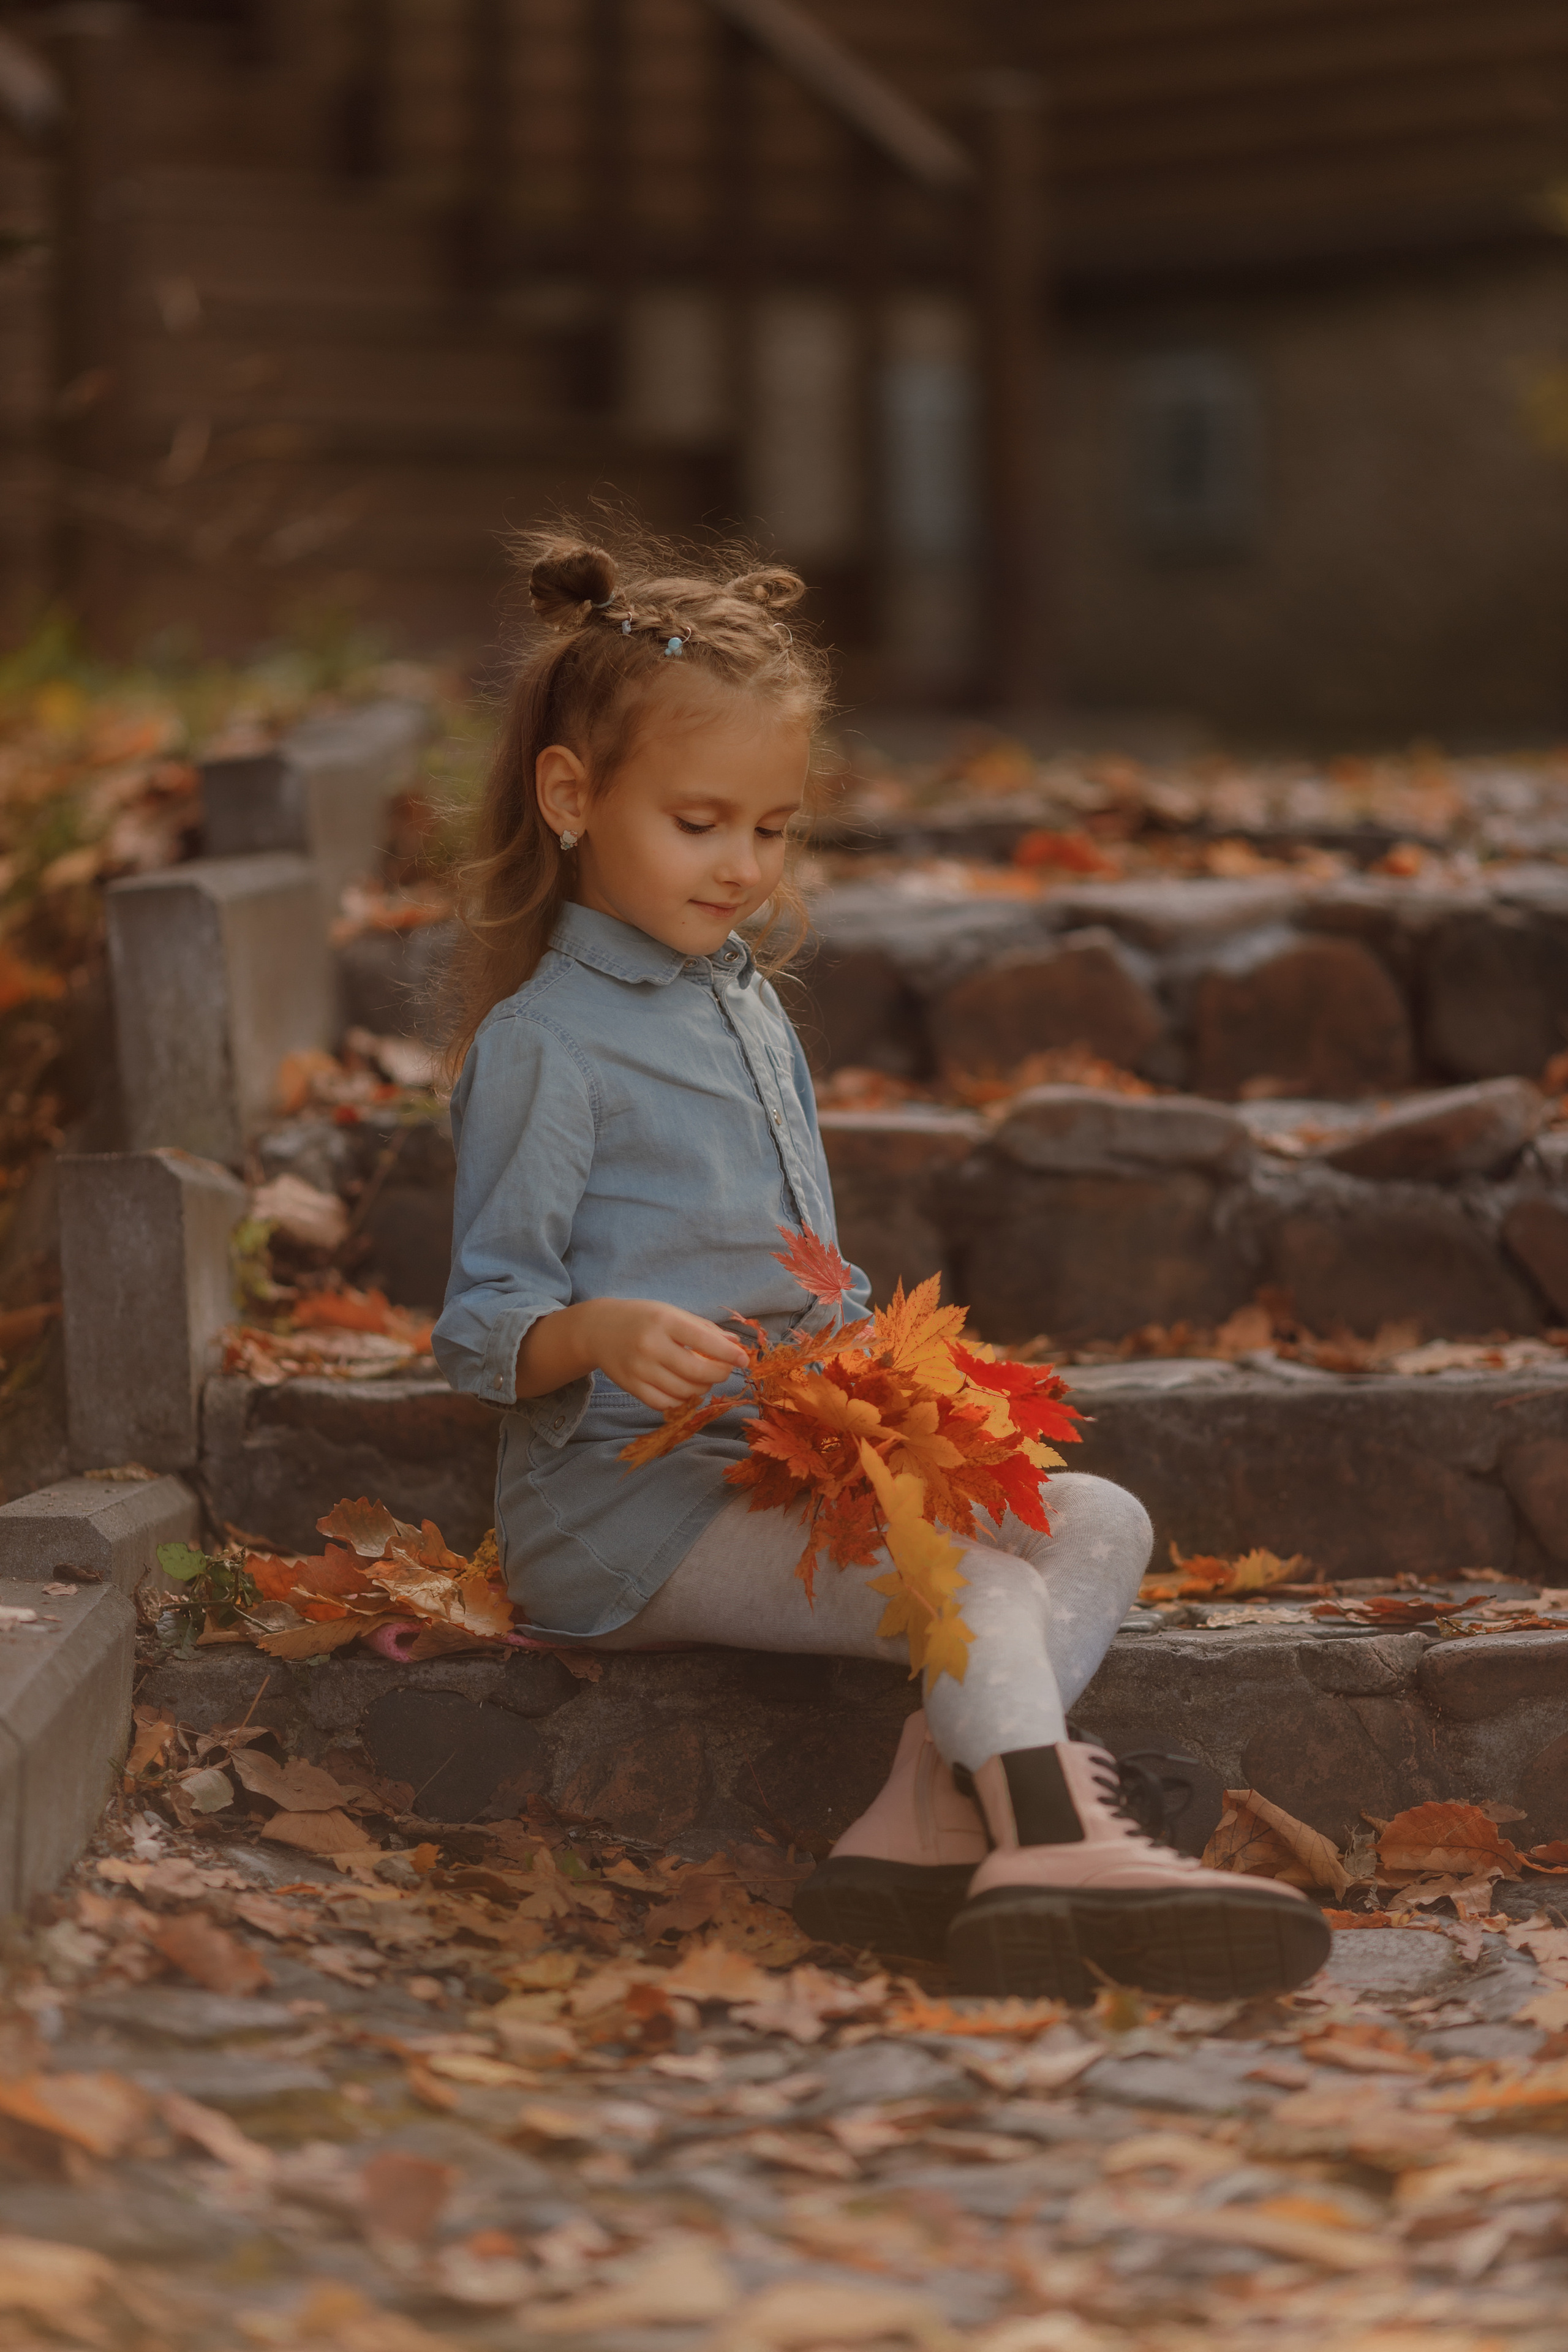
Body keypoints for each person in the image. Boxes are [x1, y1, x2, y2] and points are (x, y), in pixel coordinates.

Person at [433, 529, 1328, 2001]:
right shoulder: (548, 1046)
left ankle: (927, 1812)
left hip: (779, 1461)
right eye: (701, 821)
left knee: (1093, 1516)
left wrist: (883, 1382)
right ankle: (1041, 1834)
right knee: (961, 1578)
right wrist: (594, 1332)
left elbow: (806, 1268)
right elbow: (479, 1327)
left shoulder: (746, 1005)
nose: (740, 864)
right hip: (625, 1514)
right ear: (571, 795)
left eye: (771, 830)